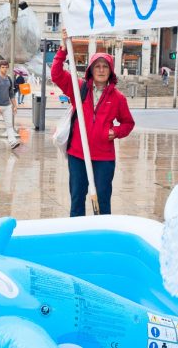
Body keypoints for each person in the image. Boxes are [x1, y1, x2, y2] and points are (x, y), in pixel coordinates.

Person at [52, 32, 135, 217]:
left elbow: (128, 123)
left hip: (104, 158)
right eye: (97, 66)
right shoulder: (78, 87)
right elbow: (56, 74)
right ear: (91, 69)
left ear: (111, 71)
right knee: (77, 199)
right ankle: (78, 236)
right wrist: (63, 49)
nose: (101, 70)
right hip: (78, 154)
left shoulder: (117, 98)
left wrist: (115, 131)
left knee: (103, 200)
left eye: (105, 66)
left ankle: (101, 234)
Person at [0, 60, 20, 150]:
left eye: (6, 67)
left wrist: (15, 105)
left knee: (9, 125)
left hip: (7, 106)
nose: (5, 69)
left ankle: (12, 142)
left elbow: (11, 94)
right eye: (3, 67)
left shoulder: (9, 79)